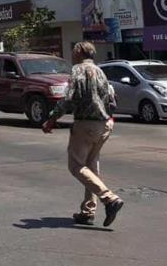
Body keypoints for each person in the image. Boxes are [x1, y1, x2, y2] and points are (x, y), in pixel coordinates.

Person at [42, 41, 124, 228]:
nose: (71, 54)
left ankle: (109, 199)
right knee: (91, 166)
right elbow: (112, 98)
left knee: (76, 166)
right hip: (104, 125)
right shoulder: (101, 71)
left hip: (86, 124)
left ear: (79, 51)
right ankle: (88, 212)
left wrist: (52, 119)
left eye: (73, 50)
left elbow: (69, 97)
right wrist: (109, 118)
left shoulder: (78, 70)